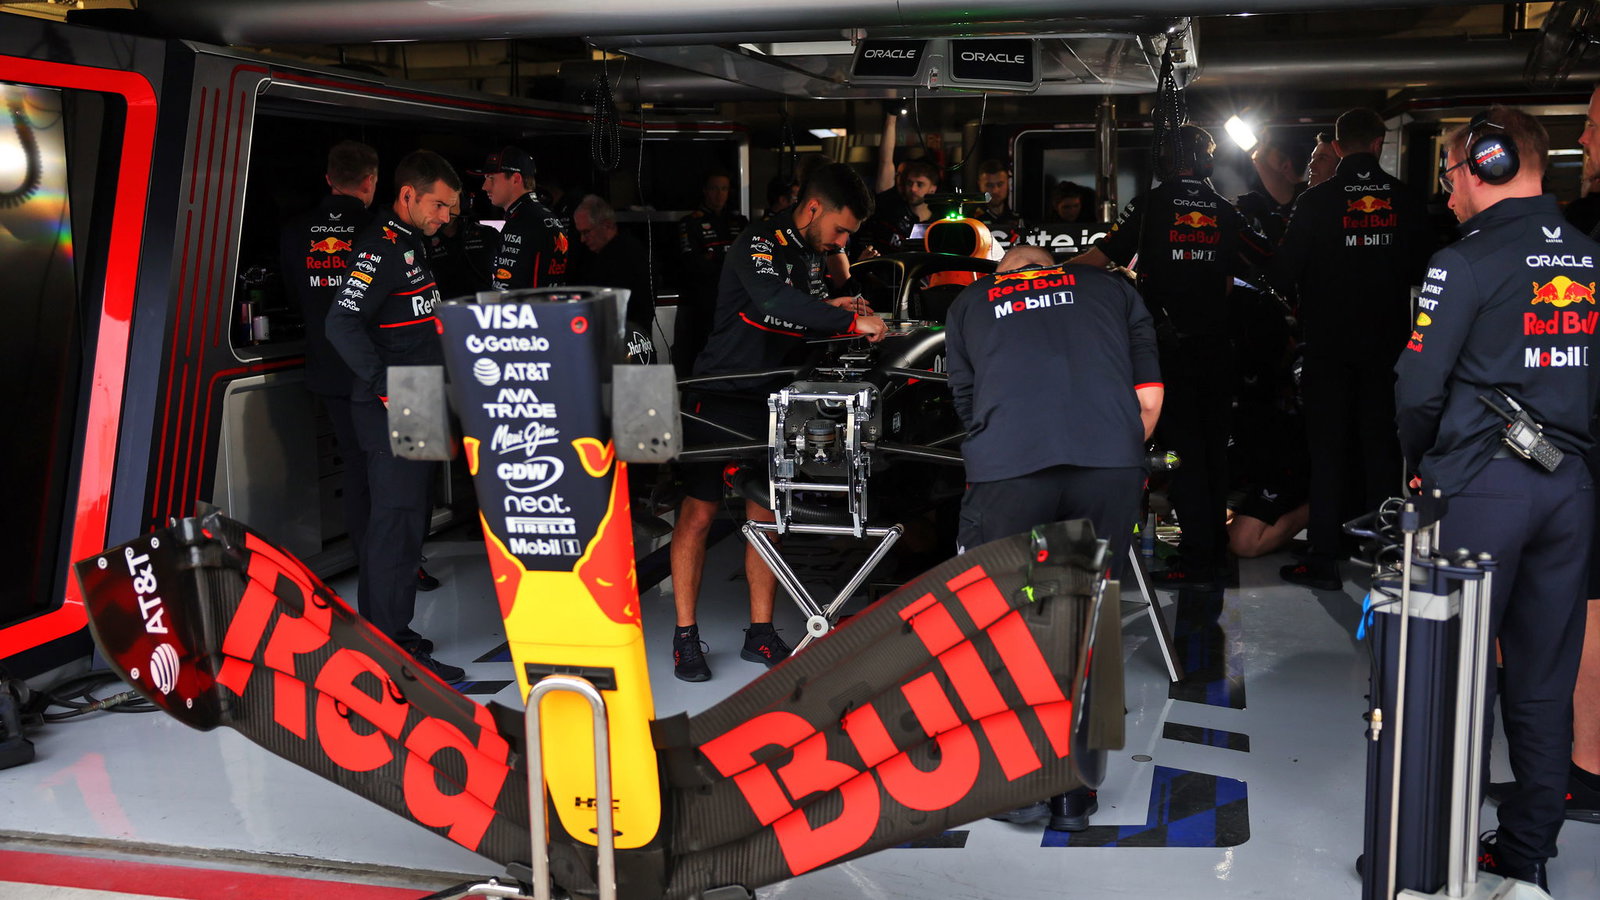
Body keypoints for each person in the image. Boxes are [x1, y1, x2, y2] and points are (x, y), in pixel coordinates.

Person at [1395, 106, 1600, 890]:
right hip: (1569, 489)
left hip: (1482, 489)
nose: (1449, 193)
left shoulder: (1463, 262)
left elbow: (1416, 388)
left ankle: (1435, 857)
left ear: (1485, 164)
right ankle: (1525, 857)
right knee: (1543, 685)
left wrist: (1424, 462)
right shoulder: (1591, 257)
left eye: (1451, 174)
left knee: (1452, 679)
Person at [947, 243, 1162, 833]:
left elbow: (966, 403)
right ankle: (1076, 795)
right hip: (1109, 465)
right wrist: (1108, 449)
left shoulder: (971, 301)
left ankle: (1021, 786)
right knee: (1092, 612)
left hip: (1010, 466)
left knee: (1011, 615)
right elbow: (1148, 399)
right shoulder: (1113, 291)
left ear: (1004, 274)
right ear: (1054, 269)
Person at [670, 163, 889, 682]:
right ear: (813, 208)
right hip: (719, 393)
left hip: (773, 397)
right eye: (840, 230)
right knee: (698, 514)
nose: (842, 242)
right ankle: (684, 637)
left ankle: (761, 632)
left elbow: (793, 312)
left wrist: (834, 304)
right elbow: (771, 302)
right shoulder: (759, 241)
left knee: (767, 517)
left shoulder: (810, 252)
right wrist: (848, 318)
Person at [1071, 124, 1270, 590]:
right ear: (1204, 160)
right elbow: (1260, 258)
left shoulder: (1150, 205)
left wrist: (1037, 275)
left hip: (1169, 348)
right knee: (1214, 453)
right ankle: (1211, 552)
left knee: (1181, 454)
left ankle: (1197, 561)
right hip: (1218, 349)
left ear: (1164, 159)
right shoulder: (1225, 209)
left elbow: (1100, 258)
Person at [1487, 83, 1600, 830]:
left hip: (1567, 452)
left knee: (1573, 608)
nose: (1583, 140)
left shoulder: (1573, 238)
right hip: (1573, 453)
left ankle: (1582, 771)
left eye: (1591, 125)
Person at [1272, 108, 1434, 591]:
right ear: (1379, 143)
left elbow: (1281, 273)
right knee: (1382, 451)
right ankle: (1384, 557)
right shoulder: (1406, 199)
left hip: (1327, 347)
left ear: (1338, 146)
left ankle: (1324, 558)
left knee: (1327, 454)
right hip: (1387, 348)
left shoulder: (1316, 200)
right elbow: (1425, 270)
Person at [325, 149, 466, 684]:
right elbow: (340, 323)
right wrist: (386, 386)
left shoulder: (411, 241)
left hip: (421, 396)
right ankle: (389, 648)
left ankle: (394, 635)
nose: (445, 217)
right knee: (394, 524)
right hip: (397, 401)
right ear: (407, 195)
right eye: (438, 205)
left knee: (409, 523)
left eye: (450, 209)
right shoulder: (379, 247)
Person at [279, 139, 378, 581]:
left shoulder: (295, 231)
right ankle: (399, 563)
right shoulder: (380, 227)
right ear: (370, 181)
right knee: (394, 469)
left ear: (328, 179)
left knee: (356, 466)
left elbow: (292, 298)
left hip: (328, 368)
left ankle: (369, 563)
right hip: (380, 369)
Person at [675, 170, 749, 374]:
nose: (719, 194)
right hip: (702, 303)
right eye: (715, 188)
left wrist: (716, 258)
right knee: (697, 354)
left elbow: (749, 261)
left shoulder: (739, 222)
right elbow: (693, 264)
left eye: (724, 188)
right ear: (705, 191)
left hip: (733, 303)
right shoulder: (690, 223)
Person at [570, 193, 657, 361]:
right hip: (638, 346)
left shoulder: (624, 257)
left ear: (607, 225)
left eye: (586, 232)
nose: (582, 239)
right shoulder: (619, 251)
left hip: (623, 352)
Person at [471, 145, 569, 291]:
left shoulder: (522, 222)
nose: (484, 186)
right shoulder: (543, 216)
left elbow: (506, 291)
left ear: (516, 179)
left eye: (491, 178)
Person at [856, 158, 939, 258]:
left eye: (919, 184)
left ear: (932, 189)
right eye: (909, 183)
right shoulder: (891, 209)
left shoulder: (936, 225)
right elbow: (885, 163)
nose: (913, 189)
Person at [1235, 136, 1306, 245]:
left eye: (1267, 151)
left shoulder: (1308, 207)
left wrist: (1265, 217)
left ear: (1285, 166)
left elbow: (1286, 249)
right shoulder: (1278, 207)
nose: (1257, 154)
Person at [972, 159, 1022, 232]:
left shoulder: (1019, 217)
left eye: (1000, 184)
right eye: (989, 185)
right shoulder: (971, 220)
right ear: (979, 184)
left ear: (1008, 183)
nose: (995, 190)